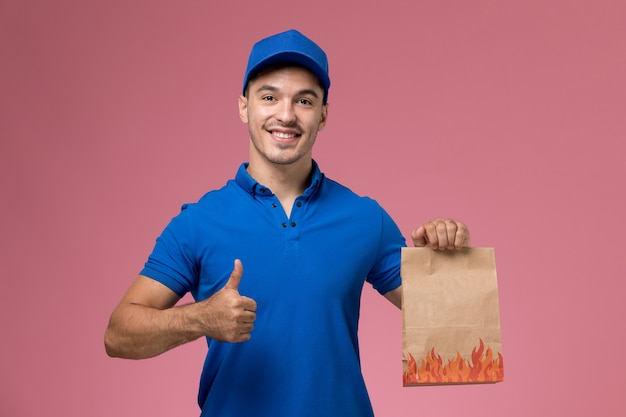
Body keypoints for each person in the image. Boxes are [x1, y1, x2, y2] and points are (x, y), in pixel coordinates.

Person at [104, 29, 470, 416]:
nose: (286, 114)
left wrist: (447, 260)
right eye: (269, 97)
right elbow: (118, 335)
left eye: (304, 100)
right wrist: (198, 318)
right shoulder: (198, 222)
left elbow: (455, 324)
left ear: (323, 114)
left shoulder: (365, 218)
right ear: (244, 107)